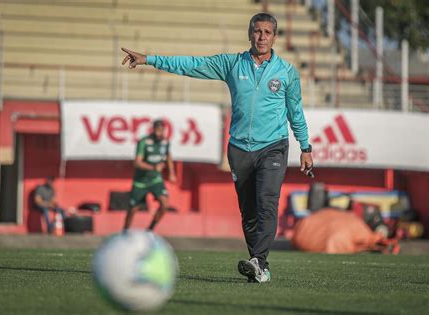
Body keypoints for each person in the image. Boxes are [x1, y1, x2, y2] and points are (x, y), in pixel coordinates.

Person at [121, 13, 313, 283]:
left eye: (267, 32)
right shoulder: (231, 64)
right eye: (257, 31)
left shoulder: (287, 72)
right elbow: (191, 64)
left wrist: (305, 146)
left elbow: (296, 112)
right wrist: (149, 59)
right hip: (239, 149)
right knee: (248, 212)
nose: (261, 37)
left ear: (275, 37)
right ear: (250, 34)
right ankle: (260, 267)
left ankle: (258, 260)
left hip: (273, 147)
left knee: (266, 202)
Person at [123, 119, 177, 232]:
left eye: (162, 130)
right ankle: (125, 231)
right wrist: (153, 167)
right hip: (141, 181)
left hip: (155, 179)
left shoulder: (165, 142)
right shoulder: (144, 142)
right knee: (133, 209)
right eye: (157, 130)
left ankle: (150, 230)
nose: (159, 133)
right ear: (153, 130)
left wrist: (172, 173)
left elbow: (168, 156)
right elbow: (137, 162)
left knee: (165, 204)